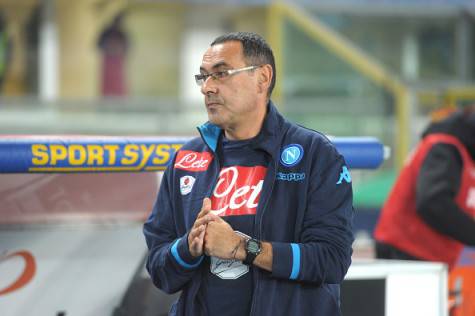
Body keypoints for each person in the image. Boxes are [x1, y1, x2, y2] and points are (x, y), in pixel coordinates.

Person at [143, 32, 354, 316]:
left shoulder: (315, 155)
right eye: (203, 77)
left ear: (262, 78)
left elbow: (331, 260)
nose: (207, 88)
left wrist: (243, 248)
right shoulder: (186, 160)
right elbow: (160, 270)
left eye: (221, 74)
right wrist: (188, 248)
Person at [374, 103, 475, 270]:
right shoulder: (446, 148)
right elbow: (433, 202)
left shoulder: (461, 150)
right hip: (407, 253)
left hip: (425, 257)